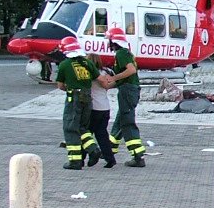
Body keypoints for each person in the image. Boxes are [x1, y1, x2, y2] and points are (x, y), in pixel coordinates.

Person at [53, 36, 100, 170]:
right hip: (87, 98)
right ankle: (93, 149)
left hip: (73, 99)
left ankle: (75, 160)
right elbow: (97, 77)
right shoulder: (87, 63)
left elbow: (60, 85)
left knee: (70, 128)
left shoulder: (65, 65)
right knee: (82, 128)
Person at [104, 27, 147, 168]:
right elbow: (124, 77)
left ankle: (137, 156)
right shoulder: (125, 53)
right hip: (128, 90)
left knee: (127, 123)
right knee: (119, 122)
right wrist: (107, 85)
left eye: (109, 41)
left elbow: (131, 70)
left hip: (127, 91)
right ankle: (109, 151)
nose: (108, 44)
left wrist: (113, 77)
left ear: (114, 41)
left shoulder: (121, 54)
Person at [88, 67, 116, 168]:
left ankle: (83, 157)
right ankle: (110, 159)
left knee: (86, 134)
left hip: (93, 107)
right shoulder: (106, 72)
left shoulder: (90, 72)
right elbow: (110, 84)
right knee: (102, 134)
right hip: (105, 107)